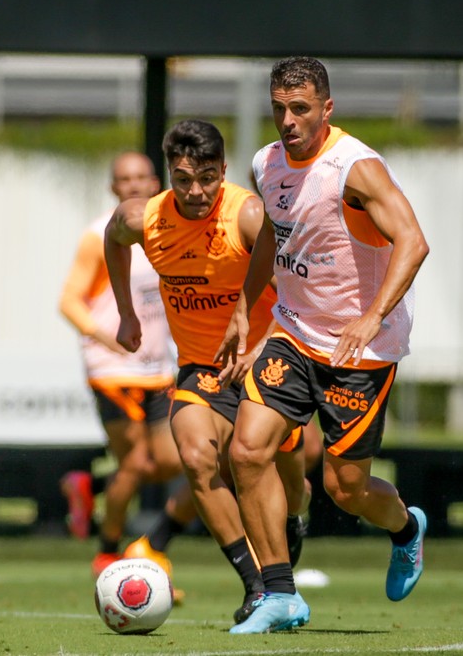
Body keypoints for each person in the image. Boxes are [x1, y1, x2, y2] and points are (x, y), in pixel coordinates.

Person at [216, 56, 431, 634]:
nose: (287, 120)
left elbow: (413, 242)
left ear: (327, 108)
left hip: (361, 352)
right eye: (278, 108)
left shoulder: (354, 169)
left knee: (345, 489)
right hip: (293, 334)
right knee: (247, 451)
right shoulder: (266, 162)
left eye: (300, 109)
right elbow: (271, 239)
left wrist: (371, 317)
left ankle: (407, 529)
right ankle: (279, 594)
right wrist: (244, 307)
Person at [104, 119, 311, 624]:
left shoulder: (248, 216)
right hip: (199, 368)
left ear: (224, 170)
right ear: (167, 177)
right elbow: (114, 236)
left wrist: (260, 340)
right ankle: (257, 586)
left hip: (265, 365)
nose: (196, 192)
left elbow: (299, 290)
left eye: (208, 178)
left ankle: (294, 526)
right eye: (183, 179)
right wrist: (127, 313)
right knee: (198, 459)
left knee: (293, 480)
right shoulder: (144, 218)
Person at [58, 151, 187, 580]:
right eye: (123, 179)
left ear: (156, 182)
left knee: (170, 462)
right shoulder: (99, 235)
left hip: (157, 369)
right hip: (113, 370)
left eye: (140, 177)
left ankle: (89, 487)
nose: (133, 185)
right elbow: (69, 301)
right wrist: (104, 339)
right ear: (113, 188)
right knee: (134, 464)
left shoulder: (173, 231)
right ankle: (108, 552)